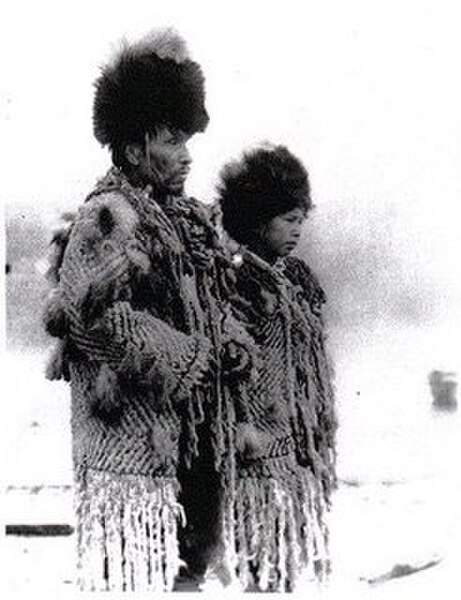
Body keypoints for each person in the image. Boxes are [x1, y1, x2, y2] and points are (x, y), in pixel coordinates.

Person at [43, 28, 253, 592]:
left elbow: (214, 303)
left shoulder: (187, 220)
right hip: (133, 446)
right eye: (172, 141)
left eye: (187, 141)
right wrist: (187, 357)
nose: (185, 156)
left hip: (197, 446)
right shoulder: (107, 217)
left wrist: (229, 340)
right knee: (136, 576)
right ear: (134, 148)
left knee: (191, 574)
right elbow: (93, 321)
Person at [216, 143, 337, 591]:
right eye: (289, 219)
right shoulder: (236, 281)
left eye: (302, 219)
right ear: (256, 219)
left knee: (284, 566)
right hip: (255, 458)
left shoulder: (295, 278)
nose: (298, 229)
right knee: (259, 566)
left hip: (293, 451)